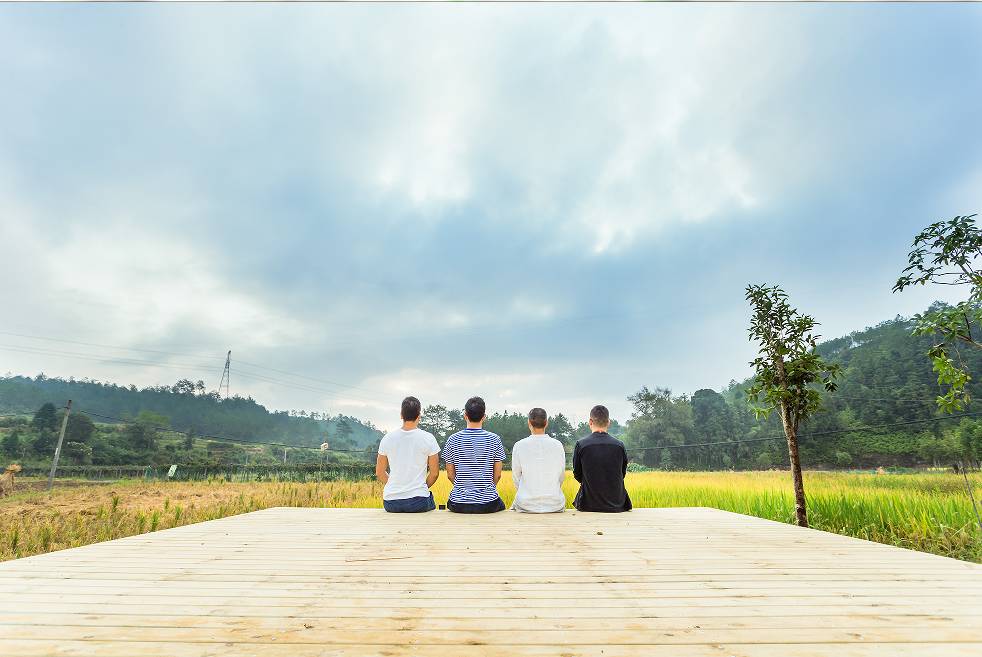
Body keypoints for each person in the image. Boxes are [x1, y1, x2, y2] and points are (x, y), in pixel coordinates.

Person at [442, 396, 506, 513]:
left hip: (458, 503)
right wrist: (487, 490)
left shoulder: (452, 439)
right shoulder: (494, 439)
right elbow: (497, 476)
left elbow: (450, 475)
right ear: (484, 417)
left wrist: (462, 489)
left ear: (465, 415)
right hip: (488, 503)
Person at [376, 396, 440, 513]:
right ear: (419, 416)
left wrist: (395, 485)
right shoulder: (428, 438)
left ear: (401, 415)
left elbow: (380, 472)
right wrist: (419, 488)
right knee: (430, 499)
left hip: (391, 503)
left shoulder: (387, 438)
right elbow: (435, 474)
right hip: (418, 502)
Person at [572, 404, 632, 512]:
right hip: (618, 505)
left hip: (587, 504)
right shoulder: (619, 445)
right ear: (608, 422)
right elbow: (622, 473)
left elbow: (577, 474)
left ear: (590, 422)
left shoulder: (581, 445)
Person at [511, 408, 567, 513]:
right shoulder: (557, 445)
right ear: (546, 423)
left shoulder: (519, 446)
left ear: (529, 423)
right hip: (555, 504)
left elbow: (516, 477)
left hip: (525, 504)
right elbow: (561, 476)